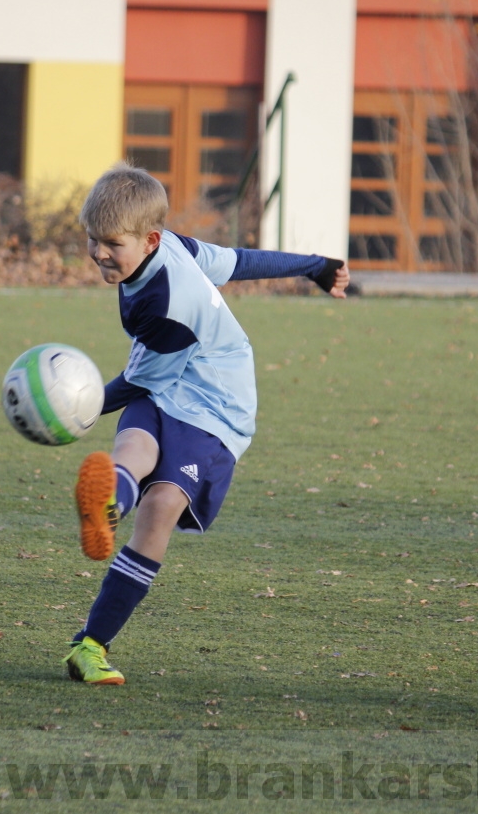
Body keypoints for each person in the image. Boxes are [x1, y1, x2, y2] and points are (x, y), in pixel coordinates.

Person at [63, 163, 350, 685]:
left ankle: (91, 644)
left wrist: (76, 411)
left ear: (149, 240)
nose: (100, 252)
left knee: (162, 506)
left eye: (111, 243)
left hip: (217, 407)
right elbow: (238, 261)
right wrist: (314, 265)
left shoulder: (168, 303)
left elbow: (133, 382)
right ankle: (106, 505)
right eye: (92, 239)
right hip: (165, 384)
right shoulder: (170, 246)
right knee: (132, 452)